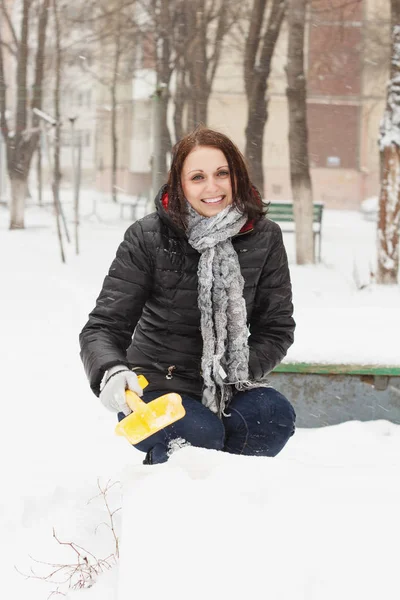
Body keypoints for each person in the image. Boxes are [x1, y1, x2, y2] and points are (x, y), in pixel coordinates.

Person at [79, 126, 296, 465]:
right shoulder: (149, 237)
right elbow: (104, 326)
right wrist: (110, 370)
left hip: (228, 383)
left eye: (222, 173)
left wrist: (239, 367)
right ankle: (172, 497)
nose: (212, 187)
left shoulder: (264, 237)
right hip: (152, 384)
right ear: (180, 185)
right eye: (197, 177)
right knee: (199, 434)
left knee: (270, 416)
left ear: (236, 176)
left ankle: (226, 498)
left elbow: (276, 327)